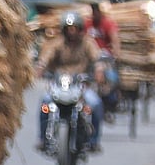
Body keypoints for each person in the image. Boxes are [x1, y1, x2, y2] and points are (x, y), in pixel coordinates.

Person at [36, 10, 104, 152]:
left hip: (80, 85)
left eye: (74, 28)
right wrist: (41, 67)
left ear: (80, 30)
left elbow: (97, 59)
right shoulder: (57, 43)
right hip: (59, 85)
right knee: (45, 104)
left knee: (95, 104)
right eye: (69, 29)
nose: (72, 32)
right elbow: (46, 56)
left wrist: (98, 70)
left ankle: (93, 140)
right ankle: (43, 138)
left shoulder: (88, 43)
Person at [84, 2, 121, 118]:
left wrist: (116, 53)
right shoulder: (87, 24)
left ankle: (110, 98)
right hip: (89, 57)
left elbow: (115, 39)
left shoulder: (107, 24)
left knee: (111, 77)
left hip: (105, 57)